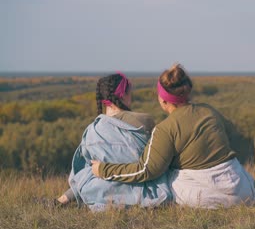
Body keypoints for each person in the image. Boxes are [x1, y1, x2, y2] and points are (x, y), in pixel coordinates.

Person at [91, 64, 255, 209]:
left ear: (163, 100)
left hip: (209, 197)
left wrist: (103, 169)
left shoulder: (164, 129)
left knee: (166, 175)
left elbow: (146, 169)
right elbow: (236, 138)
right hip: (244, 191)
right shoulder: (209, 111)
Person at [57, 72, 171, 211]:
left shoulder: (93, 130)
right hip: (140, 186)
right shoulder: (144, 120)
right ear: (122, 95)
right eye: (129, 93)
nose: (131, 97)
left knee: (87, 169)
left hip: (101, 190)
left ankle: (64, 199)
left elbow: (82, 168)